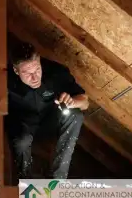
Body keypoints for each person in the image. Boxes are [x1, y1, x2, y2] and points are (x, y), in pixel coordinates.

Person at [5, 41, 89, 180]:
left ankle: (58, 178)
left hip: (51, 120)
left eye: (37, 69)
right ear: (16, 70)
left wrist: (73, 102)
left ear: (40, 62)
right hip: (23, 126)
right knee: (21, 140)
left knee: (76, 116)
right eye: (27, 73)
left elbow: (85, 102)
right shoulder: (4, 80)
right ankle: (25, 180)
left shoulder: (55, 72)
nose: (34, 77)